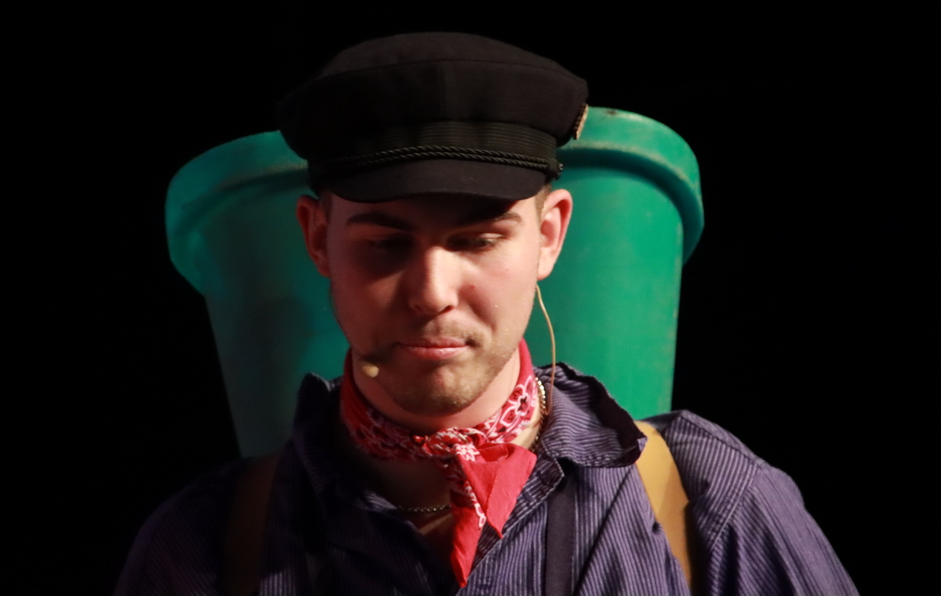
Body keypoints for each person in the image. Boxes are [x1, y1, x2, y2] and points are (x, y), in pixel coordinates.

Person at [116, 33, 857, 595]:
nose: (432, 291)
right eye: (384, 243)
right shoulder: (208, 544)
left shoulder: (708, 504)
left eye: (477, 239)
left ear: (549, 235)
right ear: (318, 240)